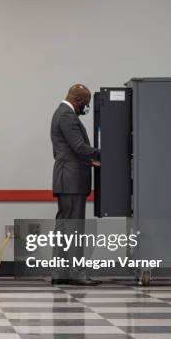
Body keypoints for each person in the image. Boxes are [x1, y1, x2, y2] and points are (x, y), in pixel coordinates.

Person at [50, 84, 101, 286]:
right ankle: (76, 273)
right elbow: (79, 146)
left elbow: (69, 150)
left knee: (64, 227)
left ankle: (60, 272)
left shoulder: (60, 113)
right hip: (71, 180)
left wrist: (89, 160)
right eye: (86, 104)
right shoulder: (67, 116)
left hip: (67, 177)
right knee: (74, 228)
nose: (85, 108)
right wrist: (104, 153)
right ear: (78, 101)